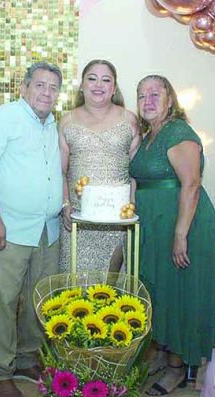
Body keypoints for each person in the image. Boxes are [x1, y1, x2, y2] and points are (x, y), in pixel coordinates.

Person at [0, 61, 63, 397]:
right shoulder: (4, 118)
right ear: (24, 87)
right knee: (3, 302)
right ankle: (0, 373)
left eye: (53, 88)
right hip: (7, 229)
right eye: (40, 85)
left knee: (37, 300)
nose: (46, 93)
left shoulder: (52, 124)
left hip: (45, 230)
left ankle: (27, 360)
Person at [129, 75, 215, 396]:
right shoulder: (148, 135)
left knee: (178, 292)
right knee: (158, 291)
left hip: (183, 222)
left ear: (170, 100)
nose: (148, 100)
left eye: (156, 94)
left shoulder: (179, 132)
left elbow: (191, 184)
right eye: (142, 95)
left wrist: (180, 234)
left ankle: (178, 368)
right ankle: (162, 354)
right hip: (153, 224)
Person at [58, 59, 141, 272]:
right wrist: (66, 205)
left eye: (106, 80)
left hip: (118, 222)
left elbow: (136, 172)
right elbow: (60, 172)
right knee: (75, 286)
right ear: (82, 86)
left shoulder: (130, 120)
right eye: (92, 79)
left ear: (114, 88)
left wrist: (131, 205)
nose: (98, 85)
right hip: (77, 220)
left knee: (112, 286)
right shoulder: (66, 121)